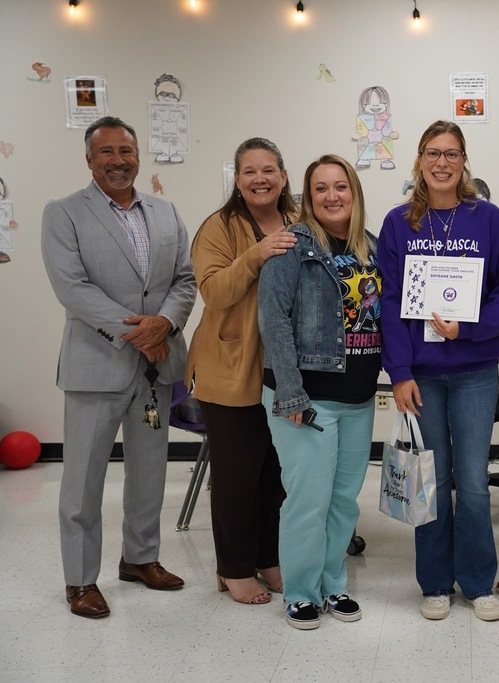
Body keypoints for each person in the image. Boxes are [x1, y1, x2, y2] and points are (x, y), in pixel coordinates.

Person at [41, 116, 196, 618]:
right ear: (89, 160)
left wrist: (165, 326)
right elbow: (73, 289)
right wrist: (141, 333)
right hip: (97, 367)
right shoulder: (64, 213)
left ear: (138, 155)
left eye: (126, 151)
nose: (118, 161)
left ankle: (141, 558)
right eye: (106, 152)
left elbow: (186, 280)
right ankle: (81, 580)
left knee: (149, 470)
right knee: (84, 479)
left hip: (156, 371)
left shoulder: (166, 212)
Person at [378, 120, 499, 622]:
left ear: (464, 162)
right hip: (421, 373)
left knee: (475, 482)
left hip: (474, 371)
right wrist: (398, 372)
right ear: (419, 160)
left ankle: (479, 583)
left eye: (452, 154)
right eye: (433, 153)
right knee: (432, 480)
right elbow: (391, 302)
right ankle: (436, 583)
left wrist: (475, 328)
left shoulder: (488, 220)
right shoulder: (399, 224)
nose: (442, 163)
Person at [258, 154, 381, 629]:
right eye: (321, 189)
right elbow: (273, 321)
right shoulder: (291, 246)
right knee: (308, 499)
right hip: (304, 398)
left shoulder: (370, 246)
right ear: (307, 198)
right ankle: (301, 592)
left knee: (344, 499)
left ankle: (334, 585)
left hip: (359, 397)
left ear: (355, 193)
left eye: (341, 186)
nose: (333, 196)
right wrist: (290, 393)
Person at [184, 138, 298, 605]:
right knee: (237, 475)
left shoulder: (298, 221)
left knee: (275, 473)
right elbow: (215, 292)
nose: (260, 179)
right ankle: (232, 568)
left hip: (283, 372)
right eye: (249, 171)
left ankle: (268, 558)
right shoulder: (220, 226)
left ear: (284, 176)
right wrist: (258, 253)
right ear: (237, 179)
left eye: (268, 170)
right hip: (230, 368)